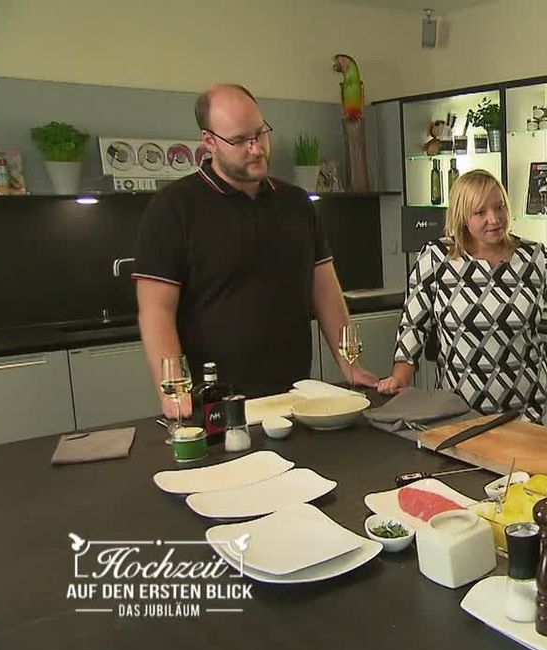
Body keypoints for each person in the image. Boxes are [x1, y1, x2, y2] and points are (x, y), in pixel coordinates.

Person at [133, 83, 377, 419]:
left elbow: (324, 288)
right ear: (209, 142)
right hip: (219, 403)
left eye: (260, 134)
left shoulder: (295, 203)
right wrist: (173, 390)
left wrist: (350, 366)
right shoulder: (174, 208)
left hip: (296, 396)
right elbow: (156, 310)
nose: (256, 148)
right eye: (239, 141)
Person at [376, 170, 547, 425]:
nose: (494, 219)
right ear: (462, 216)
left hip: (528, 411)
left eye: (499, 207)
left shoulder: (534, 258)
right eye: (480, 212)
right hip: (457, 410)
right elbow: (413, 324)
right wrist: (401, 376)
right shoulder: (436, 258)